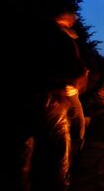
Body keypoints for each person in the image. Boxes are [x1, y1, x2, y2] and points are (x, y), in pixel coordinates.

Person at [10, 10, 89, 191]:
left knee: (24, 152)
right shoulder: (60, 38)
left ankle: (22, 183)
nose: (72, 24)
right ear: (65, 20)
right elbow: (75, 71)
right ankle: (61, 183)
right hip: (52, 100)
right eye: (71, 21)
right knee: (58, 153)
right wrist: (79, 76)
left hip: (23, 101)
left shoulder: (26, 29)